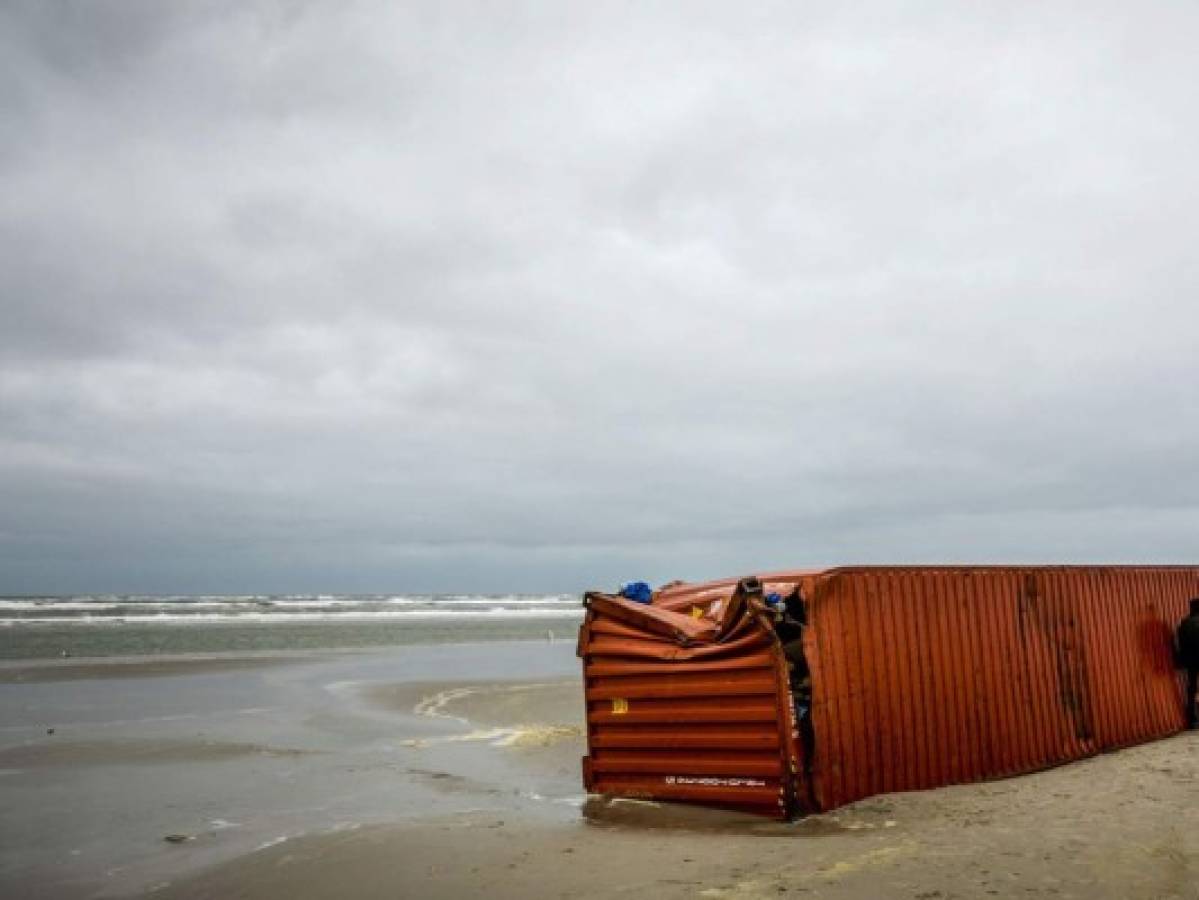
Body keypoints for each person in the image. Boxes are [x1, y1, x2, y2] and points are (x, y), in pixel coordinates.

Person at [1178, 599, 1199, 729]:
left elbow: (1181, 644)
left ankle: (1193, 718)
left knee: (1192, 688)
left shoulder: (1184, 623)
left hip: (1191, 661)